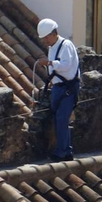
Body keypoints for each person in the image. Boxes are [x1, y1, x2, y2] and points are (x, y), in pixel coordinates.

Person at [35, 19, 79, 161]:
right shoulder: (52, 47)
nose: (45, 40)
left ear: (54, 33)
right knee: (59, 118)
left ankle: (62, 151)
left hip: (68, 87)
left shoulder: (66, 45)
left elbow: (66, 65)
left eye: (47, 37)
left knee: (62, 118)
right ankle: (65, 151)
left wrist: (49, 63)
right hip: (58, 87)